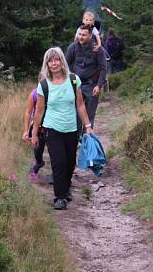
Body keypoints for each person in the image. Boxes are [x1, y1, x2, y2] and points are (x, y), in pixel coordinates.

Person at [31, 47, 93, 210]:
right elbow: (39, 111)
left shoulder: (73, 80)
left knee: (69, 163)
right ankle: (60, 197)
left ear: (62, 61)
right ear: (47, 64)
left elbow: (80, 104)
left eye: (57, 59)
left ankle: (65, 189)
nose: (54, 63)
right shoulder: (43, 85)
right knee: (58, 162)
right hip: (52, 129)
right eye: (50, 60)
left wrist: (88, 126)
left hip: (72, 129)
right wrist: (34, 133)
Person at [66, 25, 108, 136]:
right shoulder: (72, 48)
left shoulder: (98, 49)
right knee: (76, 113)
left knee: (89, 115)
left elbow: (103, 69)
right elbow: (66, 66)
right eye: (79, 34)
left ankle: (87, 139)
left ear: (90, 36)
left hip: (92, 85)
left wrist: (99, 85)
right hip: (76, 85)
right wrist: (69, 82)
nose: (81, 37)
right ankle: (76, 139)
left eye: (84, 35)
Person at [22, 85, 45, 180]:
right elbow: (28, 112)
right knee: (38, 150)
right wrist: (26, 130)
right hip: (38, 127)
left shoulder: (57, 92)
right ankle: (39, 162)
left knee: (55, 153)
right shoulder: (35, 93)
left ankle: (57, 176)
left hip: (53, 127)